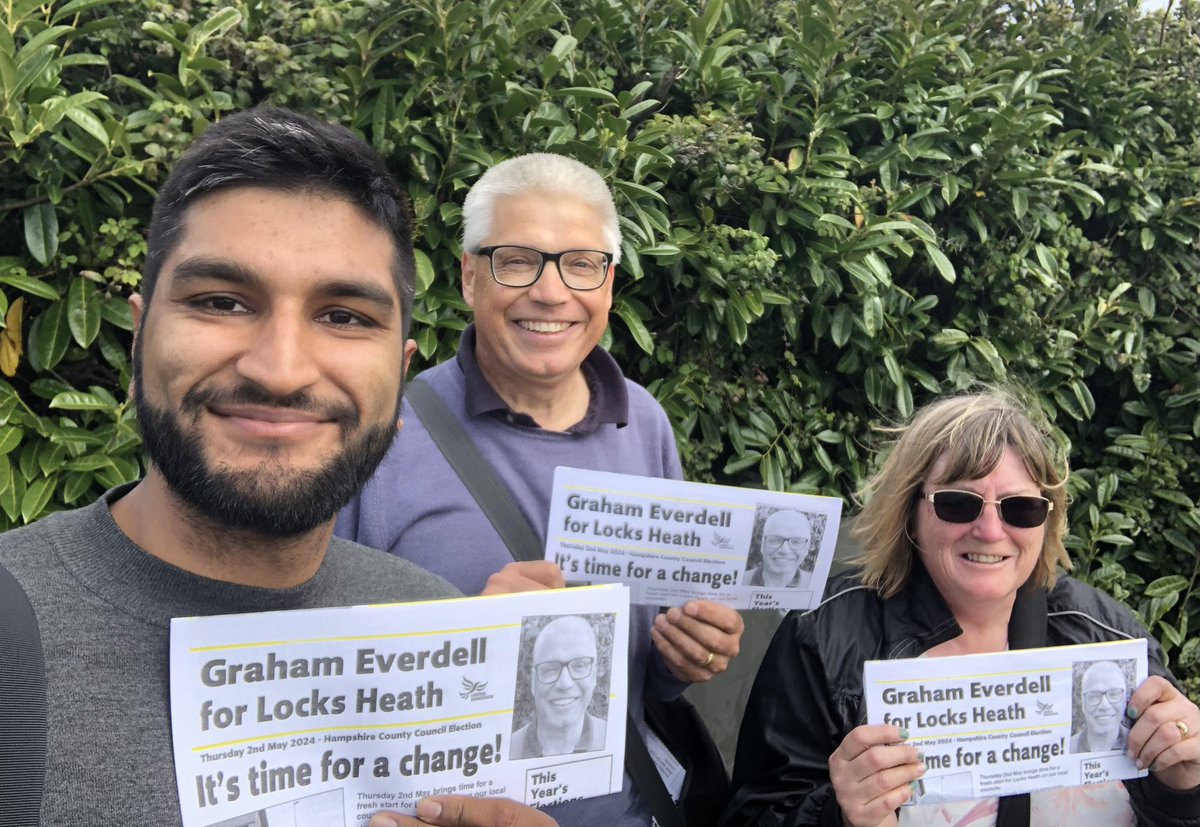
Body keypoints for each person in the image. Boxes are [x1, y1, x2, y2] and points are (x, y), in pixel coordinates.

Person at [0, 107, 554, 827]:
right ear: (138, 341)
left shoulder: (429, 619)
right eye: (221, 301)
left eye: (345, 316)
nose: (281, 370)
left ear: (400, 376)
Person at [338, 152, 744, 825]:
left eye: (581, 263)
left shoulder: (644, 421)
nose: (552, 292)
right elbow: (328, 686)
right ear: (470, 275)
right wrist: (468, 638)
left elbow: (648, 672)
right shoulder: (386, 438)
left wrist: (688, 650)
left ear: (609, 284)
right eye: (518, 259)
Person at [723, 391, 1200, 827]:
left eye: (1020, 508)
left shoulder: (1105, 632)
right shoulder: (826, 634)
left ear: (1046, 520)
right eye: (958, 503)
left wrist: (1183, 787)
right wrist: (837, 817)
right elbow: (750, 815)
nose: (991, 531)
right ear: (910, 509)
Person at [512, 615, 606, 759]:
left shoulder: (615, 738)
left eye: (580, 665)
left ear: (593, 675)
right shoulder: (508, 749)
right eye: (550, 669)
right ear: (533, 682)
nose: (564, 683)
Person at [742, 509, 814, 588]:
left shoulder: (814, 584)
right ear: (763, 544)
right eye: (775, 540)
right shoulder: (741, 580)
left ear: (807, 548)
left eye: (796, 542)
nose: (784, 550)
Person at [1072, 661, 1131, 753]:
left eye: (1114, 694)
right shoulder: (1069, 747)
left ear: (1125, 700)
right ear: (1083, 703)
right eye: (1094, 696)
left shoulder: (1141, 744)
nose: (1104, 706)